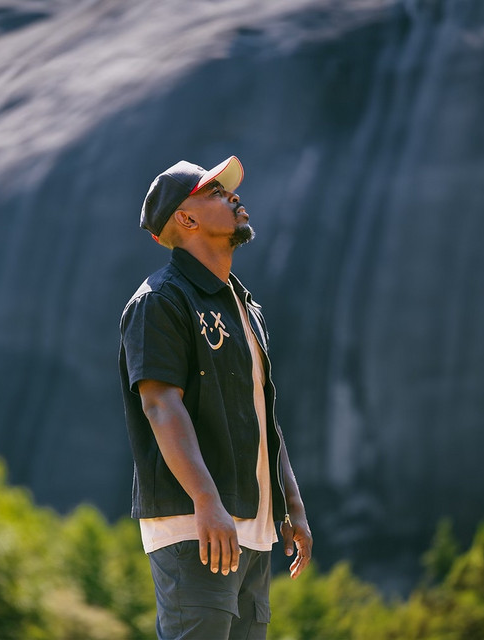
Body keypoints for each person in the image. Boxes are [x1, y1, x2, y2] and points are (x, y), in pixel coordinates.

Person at [119, 156, 313, 640]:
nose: (234, 196)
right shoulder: (159, 300)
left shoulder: (245, 306)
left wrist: (291, 507)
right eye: (216, 192)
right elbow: (160, 405)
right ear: (186, 219)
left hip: (253, 527)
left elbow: (263, 416)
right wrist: (206, 501)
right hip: (196, 524)